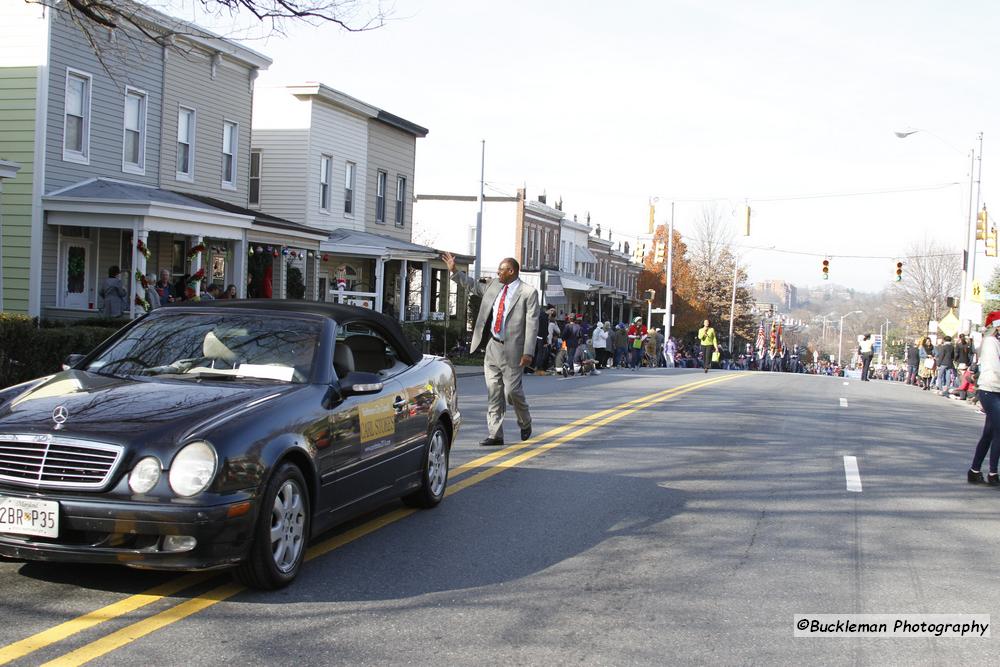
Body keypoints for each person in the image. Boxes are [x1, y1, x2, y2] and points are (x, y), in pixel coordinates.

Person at [443, 252, 539, 446]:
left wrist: (528, 352)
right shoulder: (494, 285)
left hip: (514, 350)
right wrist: (454, 271)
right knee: (494, 391)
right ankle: (495, 434)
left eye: (501, 270)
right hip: (493, 346)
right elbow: (472, 285)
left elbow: (532, 324)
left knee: (512, 392)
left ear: (511, 271)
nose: (497, 272)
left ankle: (525, 421)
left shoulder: (528, 293)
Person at [969, 311, 1000, 485]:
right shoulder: (990, 342)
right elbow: (995, 368)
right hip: (990, 389)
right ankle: (993, 473)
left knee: (989, 434)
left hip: (996, 390)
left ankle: (974, 471)